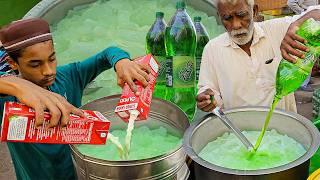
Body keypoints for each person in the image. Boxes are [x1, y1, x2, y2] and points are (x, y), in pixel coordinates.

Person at [0, 18, 150, 180]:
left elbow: (107, 54)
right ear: (13, 63)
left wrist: (122, 62)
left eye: (52, 59)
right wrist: (19, 86)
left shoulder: (69, 76)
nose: (49, 71)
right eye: (35, 65)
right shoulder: (8, 101)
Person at [196, 0, 320, 112]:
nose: (236, 25)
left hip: (285, 130)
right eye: (227, 18)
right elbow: (209, 89)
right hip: (237, 133)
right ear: (219, 17)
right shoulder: (212, 49)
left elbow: (316, 13)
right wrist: (208, 98)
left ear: (254, 11)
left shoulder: (277, 30)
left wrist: (297, 24)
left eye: (241, 15)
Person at [287, 0, 318, 91]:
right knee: (308, 53)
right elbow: (290, 3)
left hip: (313, 25)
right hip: (307, 25)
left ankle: (304, 80)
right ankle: (302, 83)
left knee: (311, 53)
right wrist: (305, 14)